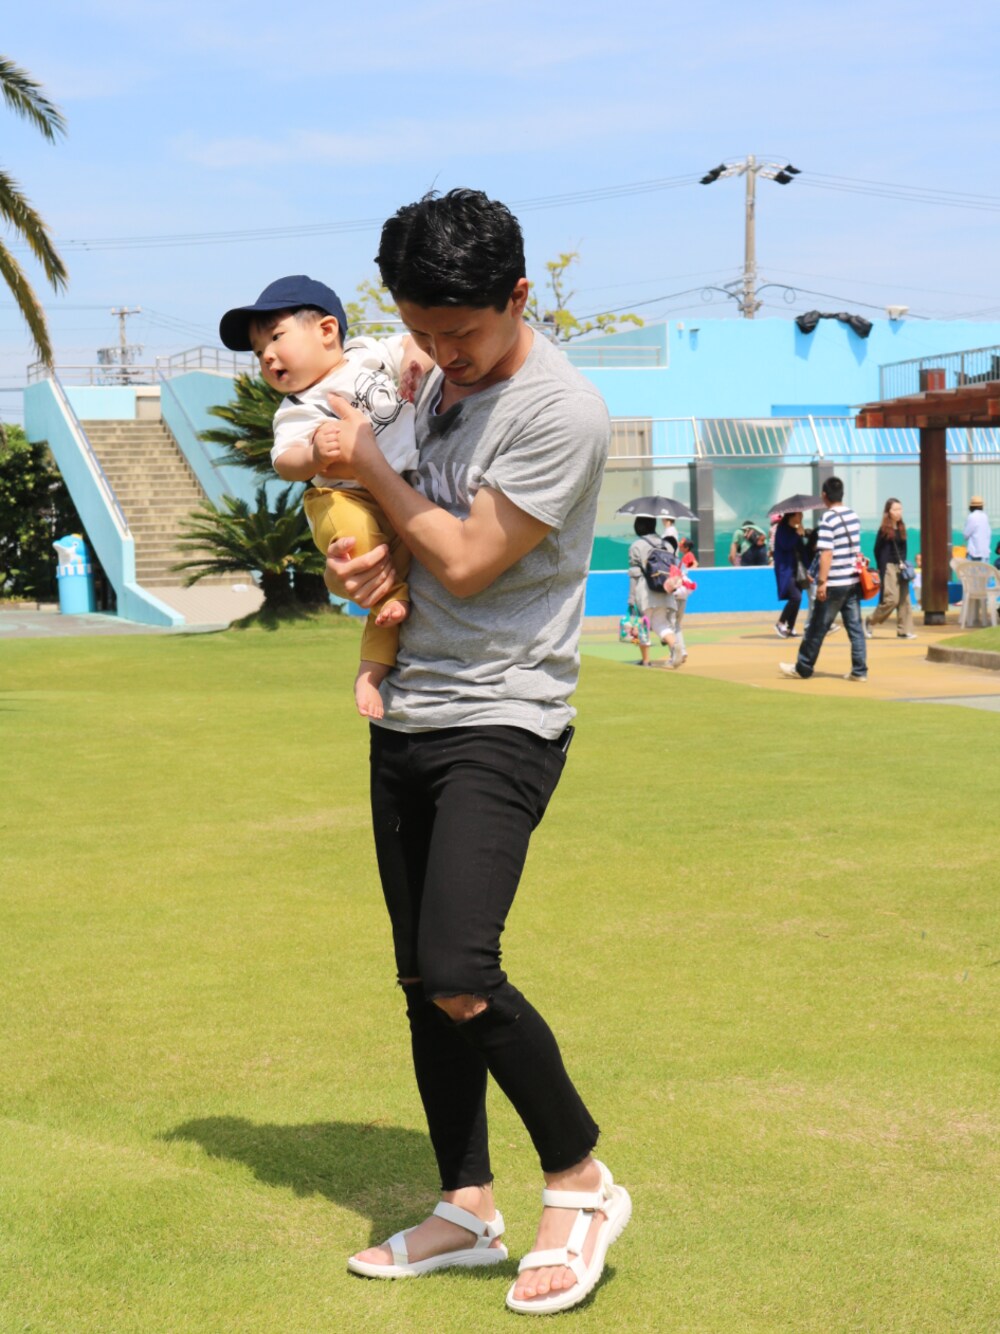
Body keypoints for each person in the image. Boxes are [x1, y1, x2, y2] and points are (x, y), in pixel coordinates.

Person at [318, 189, 631, 1316]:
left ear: (518, 295)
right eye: (421, 330)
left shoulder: (562, 412)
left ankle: (580, 1180)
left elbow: (464, 557)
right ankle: (465, 1206)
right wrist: (361, 566)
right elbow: (400, 535)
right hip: (409, 708)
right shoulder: (418, 378)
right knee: (420, 982)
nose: (442, 355)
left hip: (504, 714)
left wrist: (371, 466)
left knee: (458, 967)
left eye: (462, 332)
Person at [218, 275, 430, 718]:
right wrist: (313, 455)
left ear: (328, 330)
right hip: (346, 498)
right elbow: (284, 461)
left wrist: (415, 361)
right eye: (258, 352)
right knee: (363, 551)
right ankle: (374, 653)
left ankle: (371, 671)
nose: (266, 355)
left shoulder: (365, 354)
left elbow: (410, 343)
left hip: (401, 494)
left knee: (395, 585)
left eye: (276, 337)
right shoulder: (295, 409)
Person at [779, 476, 868, 681]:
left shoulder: (828, 519)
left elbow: (826, 553)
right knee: (855, 629)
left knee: (817, 627)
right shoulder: (853, 516)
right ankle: (859, 671)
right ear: (842, 494)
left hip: (834, 583)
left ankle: (803, 667)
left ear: (824, 495)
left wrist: (822, 582)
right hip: (852, 581)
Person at [628, 517, 682, 668]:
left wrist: (631, 598)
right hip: (664, 589)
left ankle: (646, 661)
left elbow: (635, 573)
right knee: (660, 623)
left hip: (645, 591)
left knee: (642, 624)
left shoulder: (636, 546)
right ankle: (675, 645)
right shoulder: (667, 544)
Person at [866, 498, 916, 639]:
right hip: (888, 567)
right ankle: (869, 621)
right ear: (888, 512)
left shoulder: (902, 527)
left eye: (900, 509)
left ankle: (904, 631)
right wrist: (882, 568)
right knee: (892, 600)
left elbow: (903, 549)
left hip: (901, 567)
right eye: (895, 509)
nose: (898, 512)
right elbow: (877, 550)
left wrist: (903, 564)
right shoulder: (884, 530)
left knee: (905, 600)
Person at [772, 510, 809, 638]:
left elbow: (802, 551)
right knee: (795, 597)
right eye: (799, 514)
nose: (801, 516)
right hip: (785, 569)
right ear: (791, 516)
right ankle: (780, 623)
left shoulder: (795, 530)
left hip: (797, 569)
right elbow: (786, 545)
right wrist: (797, 534)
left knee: (798, 598)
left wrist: (808, 568)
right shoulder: (782, 529)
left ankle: (790, 627)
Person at [963, 496, 991, 561]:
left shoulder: (972, 516)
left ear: (971, 507)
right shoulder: (985, 516)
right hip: (985, 552)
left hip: (974, 553)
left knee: (971, 568)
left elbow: (966, 534)